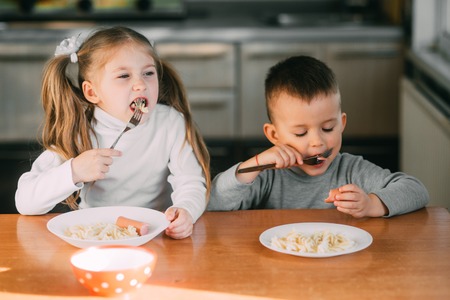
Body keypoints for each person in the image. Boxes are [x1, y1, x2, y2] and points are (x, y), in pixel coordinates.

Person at [15, 26, 210, 239]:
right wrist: (74, 170)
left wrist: (186, 210)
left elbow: (190, 181)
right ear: (92, 92)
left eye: (148, 73)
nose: (140, 85)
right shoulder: (80, 130)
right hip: (97, 236)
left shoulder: (170, 122)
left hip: (155, 234)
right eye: (124, 76)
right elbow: (25, 201)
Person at [208, 55, 429, 217]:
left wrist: (372, 204)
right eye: (300, 133)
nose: (317, 142)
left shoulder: (351, 170)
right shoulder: (267, 176)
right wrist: (254, 165)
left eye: (328, 128)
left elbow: (416, 190)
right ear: (274, 135)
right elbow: (212, 203)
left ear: (342, 124)